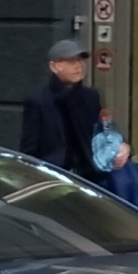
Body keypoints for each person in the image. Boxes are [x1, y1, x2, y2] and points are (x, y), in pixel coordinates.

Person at [19, 38, 104, 184]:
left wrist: (122, 147)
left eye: (81, 61)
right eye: (71, 61)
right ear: (54, 66)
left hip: (88, 177)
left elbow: (99, 134)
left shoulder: (91, 97)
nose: (79, 66)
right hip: (52, 177)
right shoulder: (38, 100)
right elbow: (29, 148)